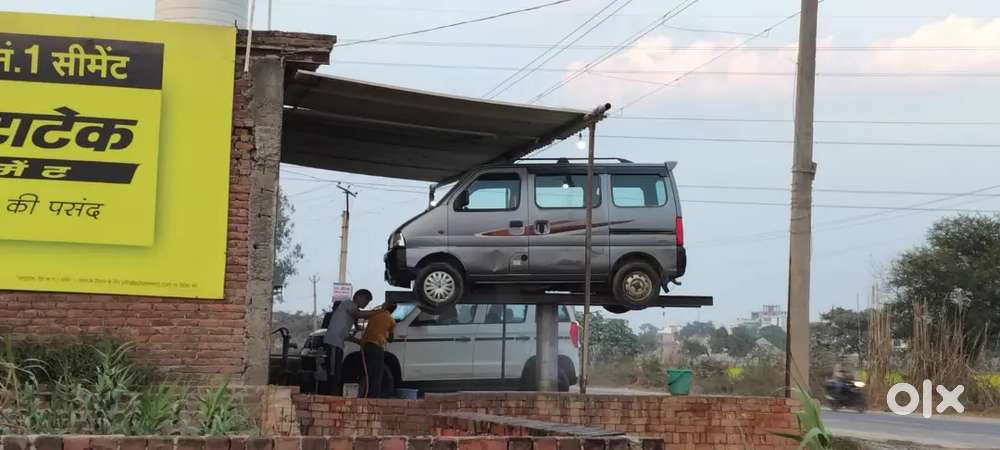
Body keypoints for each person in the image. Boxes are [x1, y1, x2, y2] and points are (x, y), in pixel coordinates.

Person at [321, 289, 376, 395]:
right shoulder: (348, 304)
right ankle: (330, 396)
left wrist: (358, 340)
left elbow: (345, 334)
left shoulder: (350, 312)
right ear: (358, 296)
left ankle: (333, 396)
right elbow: (358, 314)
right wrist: (377, 312)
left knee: (336, 373)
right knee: (333, 374)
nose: (366, 303)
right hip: (333, 343)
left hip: (338, 344)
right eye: (366, 300)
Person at [360, 301, 397, 398]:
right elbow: (391, 339)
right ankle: (373, 397)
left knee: (367, 371)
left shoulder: (375, 313)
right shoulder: (391, 321)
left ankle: (364, 393)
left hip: (366, 345)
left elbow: (360, 316)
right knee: (377, 373)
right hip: (377, 347)